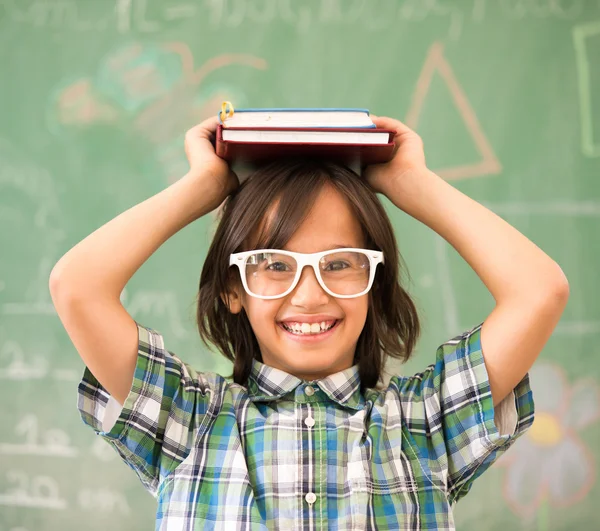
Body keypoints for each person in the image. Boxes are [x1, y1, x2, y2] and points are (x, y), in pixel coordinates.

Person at [49, 114, 569, 530]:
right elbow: (78, 287)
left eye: (340, 263)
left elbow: (538, 291)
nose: (310, 293)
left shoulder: (424, 425)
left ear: (373, 282)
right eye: (275, 264)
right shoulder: (185, 420)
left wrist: (412, 183)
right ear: (233, 290)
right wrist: (204, 185)